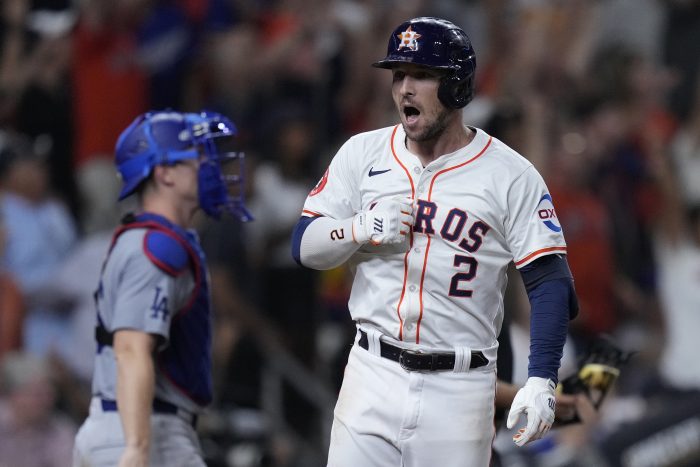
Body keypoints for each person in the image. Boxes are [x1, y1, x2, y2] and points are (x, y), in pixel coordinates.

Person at [291, 17, 578, 466]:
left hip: (459, 389)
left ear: (457, 86)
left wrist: (541, 377)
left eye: (422, 75)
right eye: (398, 75)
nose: (405, 88)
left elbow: (550, 282)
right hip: (371, 371)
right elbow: (303, 246)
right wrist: (359, 228)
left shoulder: (510, 174)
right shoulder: (362, 153)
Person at [73, 109, 253, 467]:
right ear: (165, 173)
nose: (210, 167)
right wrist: (136, 447)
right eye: (197, 158)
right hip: (143, 429)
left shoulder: (159, 239)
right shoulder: (155, 246)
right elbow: (130, 348)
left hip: (136, 425)